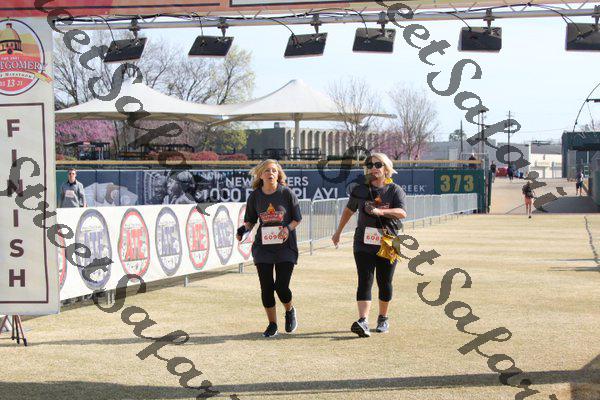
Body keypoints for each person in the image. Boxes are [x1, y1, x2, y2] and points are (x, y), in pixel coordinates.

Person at [331, 153, 407, 337]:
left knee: (385, 281)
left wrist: (381, 212)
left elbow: (402, 213)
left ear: (386, 168)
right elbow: (348, 211)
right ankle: (363, 321)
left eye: (378, 165)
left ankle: (383, 318)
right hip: (363, 242)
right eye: (370, 165)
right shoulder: (360, 190)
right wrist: (338, 232)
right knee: (365, 279)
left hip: (389, 242)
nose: (373, 168)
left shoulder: (395, 190)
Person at [236, 159, 302, 338]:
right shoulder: (255, 196)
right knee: (266, 288)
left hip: (285, 248)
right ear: (260, 175)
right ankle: (272, 324)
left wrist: (287, 229)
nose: (270, 173)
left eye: (274, 170)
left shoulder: (286, 193)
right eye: (266, 170)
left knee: (281, 286)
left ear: (278, 174)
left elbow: (297, 218)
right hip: (263, 248)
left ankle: (289, 310)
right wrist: (243, 230)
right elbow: (250, 221)